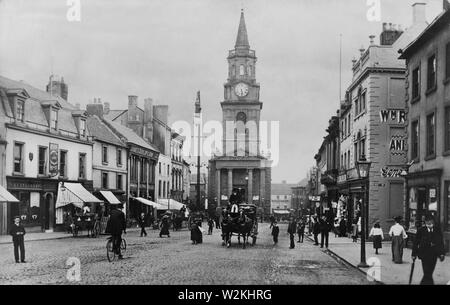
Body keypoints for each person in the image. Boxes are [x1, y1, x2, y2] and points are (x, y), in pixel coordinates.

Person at [412, 213, 445, 285]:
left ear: (433, 221)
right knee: (427, 272)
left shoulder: (437, 230)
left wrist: (442, 253)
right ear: (425, 222)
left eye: (430, 221)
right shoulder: (421, 230)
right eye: (427, 221)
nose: (429, 222)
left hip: (434, 255)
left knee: (429, 272)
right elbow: (415, 243)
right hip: (424, 255)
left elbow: (440, 242)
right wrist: (414, 254)